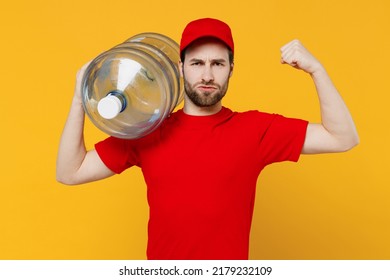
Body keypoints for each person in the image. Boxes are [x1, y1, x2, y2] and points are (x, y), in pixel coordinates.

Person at [56, 18, 359, 260]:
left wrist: (316, 70)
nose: (207, 75)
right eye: (197, 63)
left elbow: (342, 137)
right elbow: (70, 172)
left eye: (218, 64)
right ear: (180, 68)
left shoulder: (255, 129)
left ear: (231, 70)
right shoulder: (148, 129)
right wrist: (79, 99)